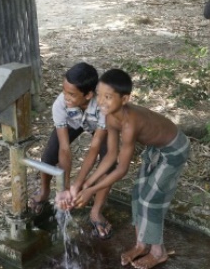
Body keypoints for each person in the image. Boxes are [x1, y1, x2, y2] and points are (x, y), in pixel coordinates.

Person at [57, 68, 190, 269]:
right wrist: (85, 184)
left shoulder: (130, 123)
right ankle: (141, 245)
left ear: (125, 98)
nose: (101, 102)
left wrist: (90, 191)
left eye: (108, 97)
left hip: (174, 150)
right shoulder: (110, 116)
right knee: (137, 194)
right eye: (100, 95)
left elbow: (121, 169)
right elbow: (111, 156)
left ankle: (158, 252)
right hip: (156, 148)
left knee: (150, 200)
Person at [30, 62, 115, 239]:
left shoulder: (104, 106)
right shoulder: (60, 104)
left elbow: (94, 147)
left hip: (99, 125)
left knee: (109, 165)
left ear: (89, 94)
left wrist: (78, 184)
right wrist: (65, 186)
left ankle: (96, 212)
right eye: (64, 91)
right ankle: (44, 192)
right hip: (73, 121)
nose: (65, 97)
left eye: (72, 94)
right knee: (47, 158)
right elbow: (64, 148)